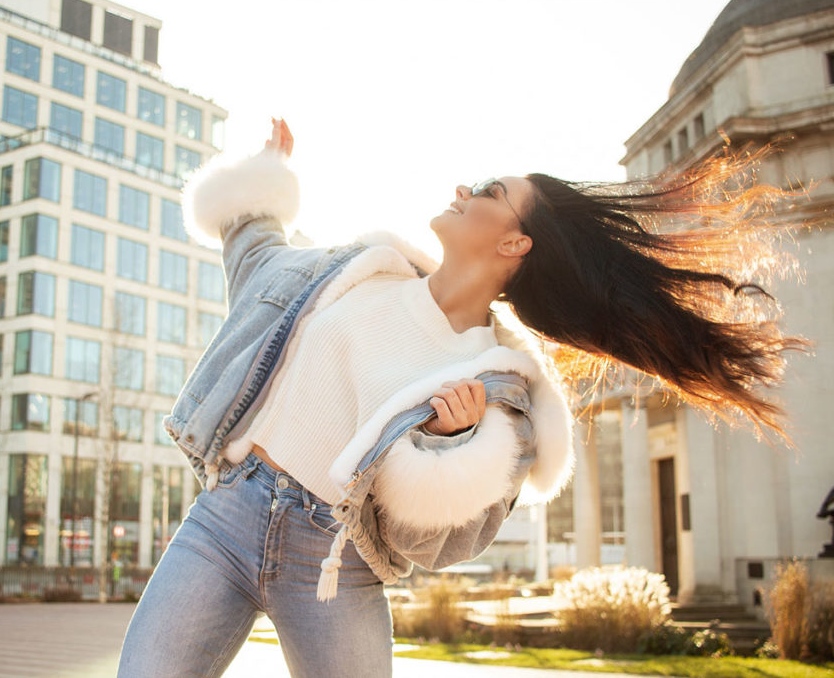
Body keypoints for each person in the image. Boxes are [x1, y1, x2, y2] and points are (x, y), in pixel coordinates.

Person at [117, 119, 804, 677]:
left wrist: (450, 449)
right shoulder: (356, 271)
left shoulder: (499, 392)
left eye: (486, 188)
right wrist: (264, 177)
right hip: (224, 521)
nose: (461, 187)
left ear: (515, 240)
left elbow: (430, 546)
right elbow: (256, 256)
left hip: (332, 564)